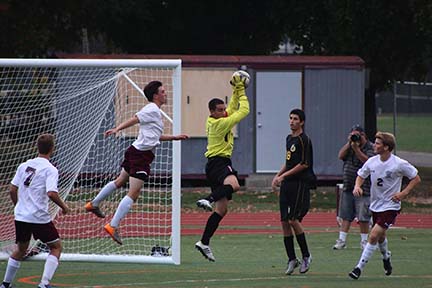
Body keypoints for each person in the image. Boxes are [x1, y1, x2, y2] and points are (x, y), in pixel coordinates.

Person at [85, 80, 188, 245]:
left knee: (120, 181)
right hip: (141, 156)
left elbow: (153, 136)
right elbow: (135, 119)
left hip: (135, 151)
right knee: (134, 192)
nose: (165, 93)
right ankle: (113, 225)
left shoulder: (155, 112)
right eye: (162, 91)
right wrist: (118, 128)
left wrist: (174, 137)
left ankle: (94, 203)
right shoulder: (151, 109)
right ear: (155, 95)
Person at [349, 132, 421, 280]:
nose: (374, 145)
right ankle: (386, 257)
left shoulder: (399, 163)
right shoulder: (372, 162)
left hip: (391, 206)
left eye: (378, 143)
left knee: (374, 234)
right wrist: (357, 186)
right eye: (375, 142)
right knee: (381, 237)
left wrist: (403, 193)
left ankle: (358, 268)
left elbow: (416, 178)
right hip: (376, 205)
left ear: (387, 147)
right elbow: (361, 176)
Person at [1, 134, 70, 288]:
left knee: (20, 249)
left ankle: (5, 284)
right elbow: (51, 193)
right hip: (38, 217)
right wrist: (64, 207)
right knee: (56, 247)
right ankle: (44, 284)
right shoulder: (50, 169)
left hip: (21, 216)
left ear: (37, 147)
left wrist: (18, 206)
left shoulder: (24, 165)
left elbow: (12, 189)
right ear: (52, 148)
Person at [194, 72, 250, 262]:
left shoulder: (218, 118)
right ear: (212, 111)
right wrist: (241, 90)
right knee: (234, 184)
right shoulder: (219, 124)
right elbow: (243, 111)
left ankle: (204, 242)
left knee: (222, 210)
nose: (224, 111)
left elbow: (233, 107)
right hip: (219, 162)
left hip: (215, 164)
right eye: (220, 109)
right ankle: (207, 199)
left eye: (223, 108)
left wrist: (234, 89)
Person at [271, 109, 316, 275]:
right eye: (290, 118)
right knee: (284, 221)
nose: (292, 121)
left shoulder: (304, 140)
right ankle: (292, 258)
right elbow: (288, 162)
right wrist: (278, 175)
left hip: (299, 183)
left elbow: (304, 164)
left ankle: (306, 255)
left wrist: (284, 176)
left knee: (293, 219)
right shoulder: (289, 138)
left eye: (295, 119)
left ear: (302, 122)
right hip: (287, 184)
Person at [333, 125, 375, 250]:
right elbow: (340, 156)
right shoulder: (350, 146)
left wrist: (357, 149)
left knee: (363, 216)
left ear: (363, 135)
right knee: (345, 215)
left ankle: (364, 241)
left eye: (357, 135)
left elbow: (368, 162)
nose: (356, 137)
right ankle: (342, 240)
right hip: (348, 186)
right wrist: (349, 143)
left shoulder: (370, 147)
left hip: (364, 188)